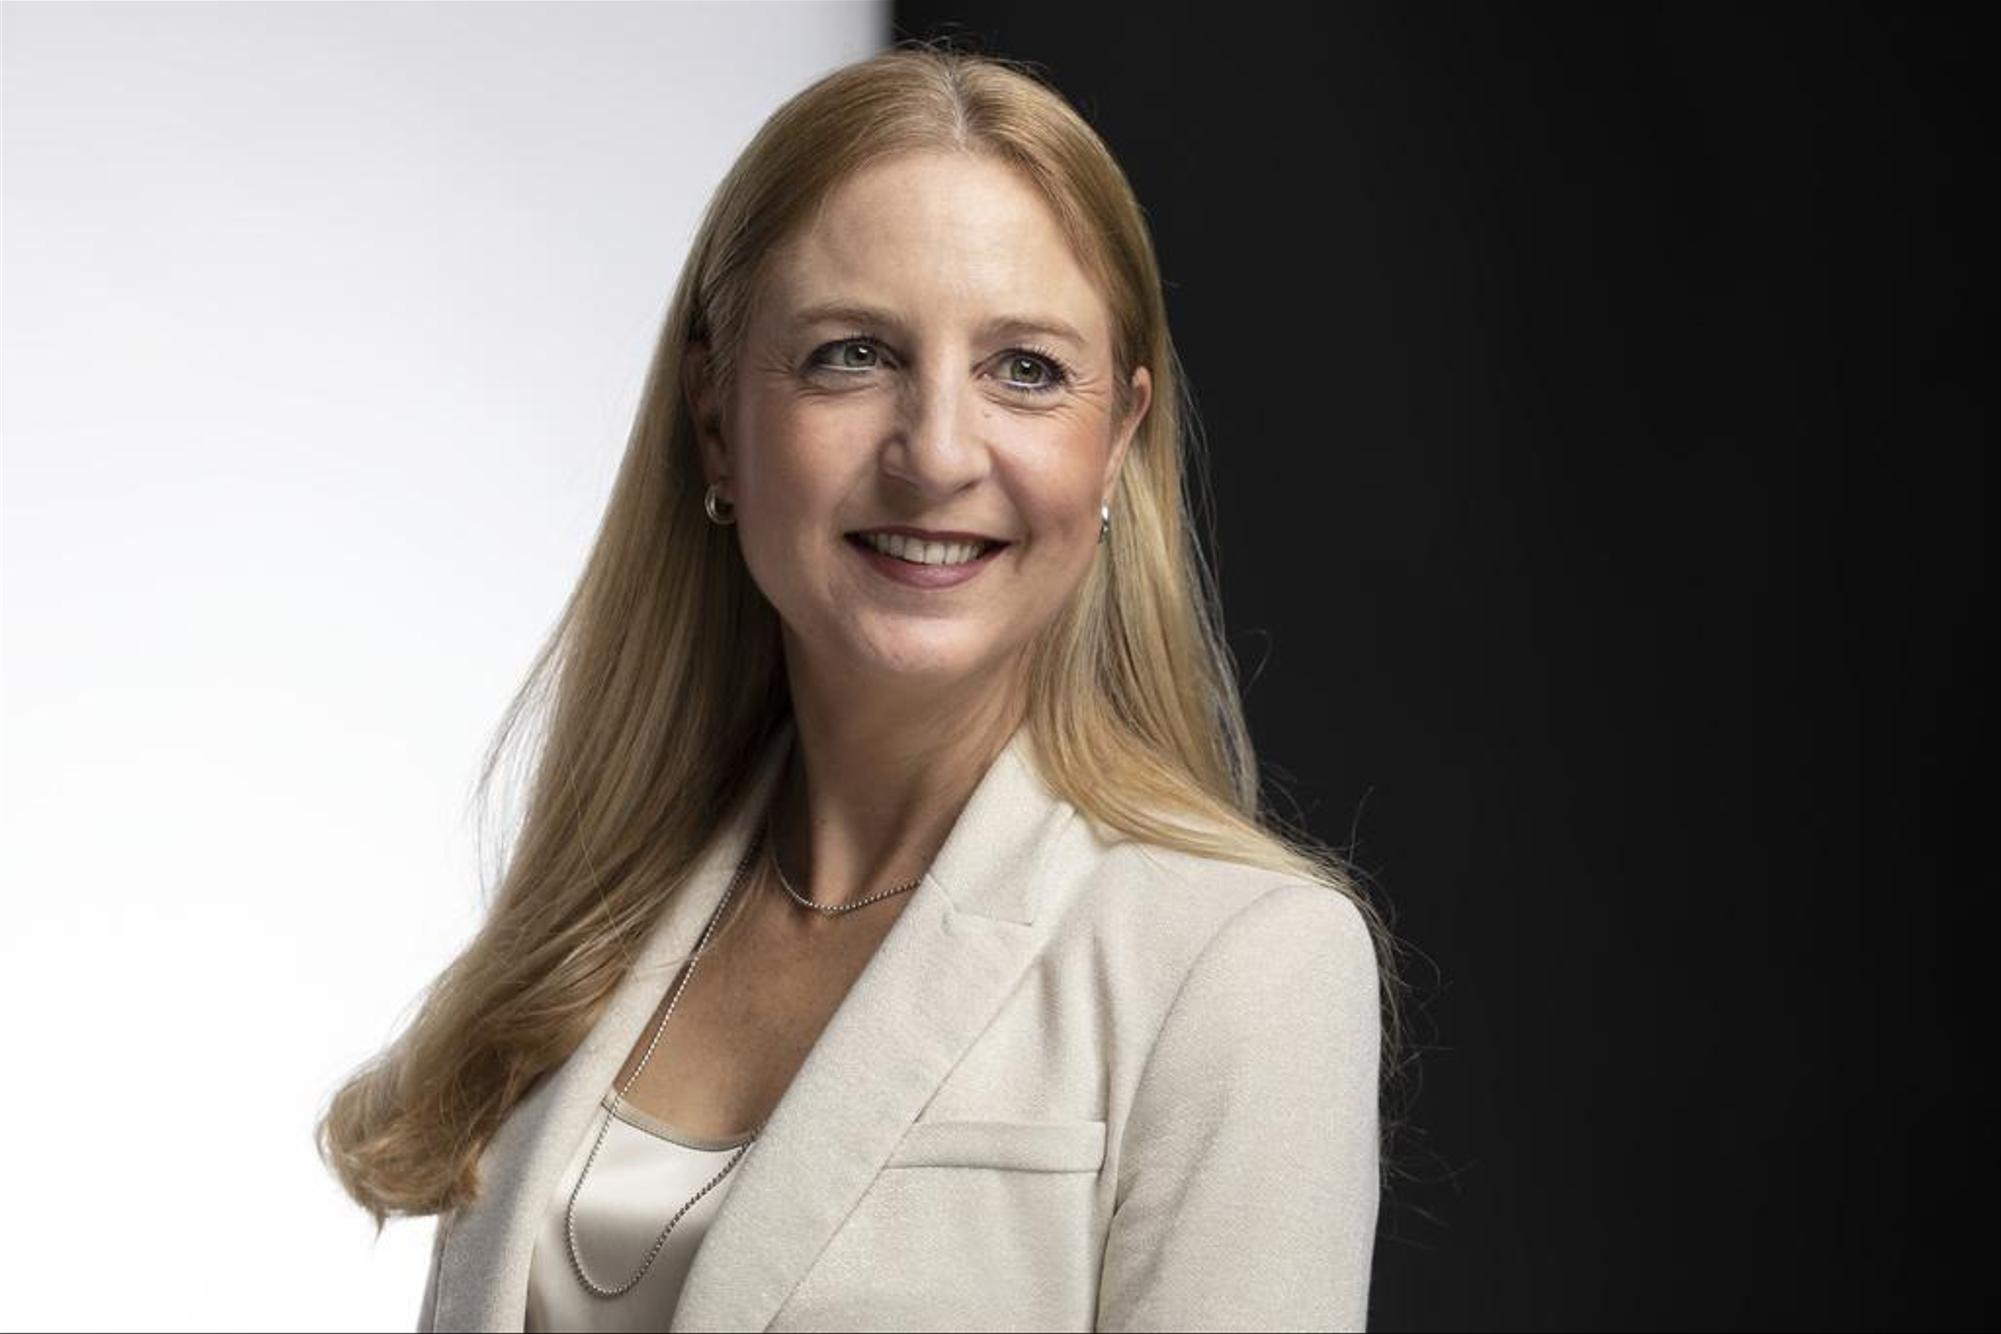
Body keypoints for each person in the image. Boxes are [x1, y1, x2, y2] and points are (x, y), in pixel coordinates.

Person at [316, 42, 1402, 1333]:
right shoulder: (582, 943)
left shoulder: (1240, 963)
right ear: (715, 420)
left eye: (1026, 369)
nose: (936, 453)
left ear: (1118, 437)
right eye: (851, 354)